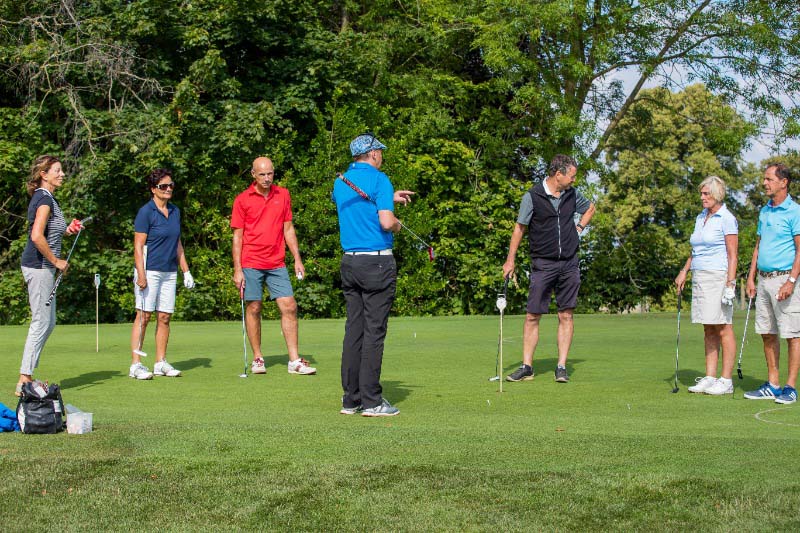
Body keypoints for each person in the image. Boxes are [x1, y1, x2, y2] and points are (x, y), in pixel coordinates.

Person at [332, 133, 414, 417]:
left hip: (350, 262)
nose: (381, 156)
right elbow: (386, 221)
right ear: (374, 154)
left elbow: (361, 204)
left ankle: (351, 399)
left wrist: (388, 197)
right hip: (377, 263)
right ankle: (371, 401)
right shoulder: (380, 179)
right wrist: (398, 225)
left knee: (354, 330)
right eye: (380, 152)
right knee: (374, 332)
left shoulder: (341, 182)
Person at [502, 155, 596, 383]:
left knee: (566, 314)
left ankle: (561, 367)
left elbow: (591, 208)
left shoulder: (572, 194)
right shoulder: (533, 196)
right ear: (558, 174)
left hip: (569, 262)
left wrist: (579, 228)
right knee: (532, 315)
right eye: (571, 176)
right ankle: (527, 367)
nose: (574, 180)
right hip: (543, 263)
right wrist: (510, 260)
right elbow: (519, 229)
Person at [231, 157, 315, 376]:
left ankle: (294, 360)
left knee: (289, 306)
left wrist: (297, 258)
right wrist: (237, 269)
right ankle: (258, 358)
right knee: (254, 307)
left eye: (270, 173)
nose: (267, 178)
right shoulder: (242, 200)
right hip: (251, 262)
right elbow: (237, 237)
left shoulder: (283, 194)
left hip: (277, 262)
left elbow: (288, 229)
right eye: (262, 174)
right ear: (253, 175)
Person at [17, 155, 83, 396]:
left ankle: (27, 376)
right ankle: (24, 380)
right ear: (43, 174)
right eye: (57, 170)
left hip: (44, 267)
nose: (62, 174)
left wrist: (68, 230)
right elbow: (36, 236)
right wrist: (56, 261)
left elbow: (49, 231)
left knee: (49, 321)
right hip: (39, 267)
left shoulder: (49, 198)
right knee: (41, 322)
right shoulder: (44, 199)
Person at [674, 176, 738, 395]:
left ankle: (726, 380)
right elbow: (696, 250)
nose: (702, 197)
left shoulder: (726, 218)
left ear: (717, 194)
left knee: (723, 326)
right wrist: (684, 271)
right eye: (701, 193)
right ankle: (710, 377)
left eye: (706, 193)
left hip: (718, 276)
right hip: (700, 276)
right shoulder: (701, 217)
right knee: (708, 327)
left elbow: (732, 254)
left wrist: (730, 283)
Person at [130, 168, 195, 380]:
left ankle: (160, 362)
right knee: (144, 316)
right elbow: (138, 246)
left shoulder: (175, 211)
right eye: (163, 186)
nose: (168, 189)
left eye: (170, 185)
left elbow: (177, 243)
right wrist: (141, 275)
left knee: (165, 317)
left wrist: (186, 271)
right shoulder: (146, 212)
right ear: (153, 189)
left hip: (169, 271)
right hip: (149, 270)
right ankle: (136, 364)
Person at [744, 163, 800, 405]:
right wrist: (750, 277)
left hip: (785, 279)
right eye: (764, 179)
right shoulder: (765, 211)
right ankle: (773, 384)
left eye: (769, 179)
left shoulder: (795, 211)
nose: (764, 183)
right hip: (764, 280)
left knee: (792, 335)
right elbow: (758, 246)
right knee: (767, 333)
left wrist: (791, 281)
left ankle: (790, 387)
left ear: (783, 182)